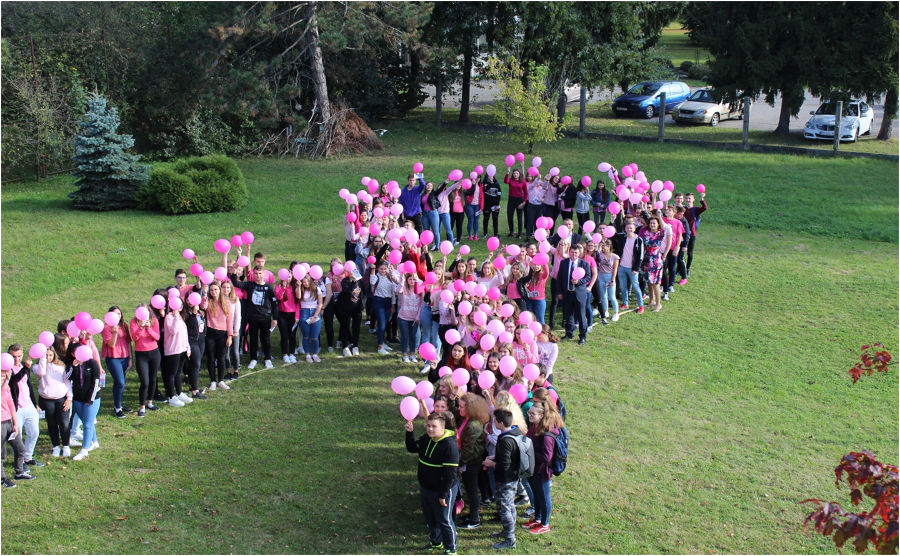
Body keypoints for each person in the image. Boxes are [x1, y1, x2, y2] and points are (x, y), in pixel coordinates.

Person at [405, 412, 460, 555]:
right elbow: (412, 448)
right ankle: (436, 542)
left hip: (443, 490)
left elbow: (450, 475)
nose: (429, 429)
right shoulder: (426, 439)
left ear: (442, 428)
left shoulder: (450, 446)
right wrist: (409, 433)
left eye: (433, 426)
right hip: (426, 488)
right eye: (428, 426)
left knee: (444, 520)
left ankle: (451, 548)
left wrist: (443, 495)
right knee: (430, 518)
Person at [483, 408, 522, 549]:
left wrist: (490, 463)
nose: (493, 422)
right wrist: (495, 456)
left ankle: (510, 540)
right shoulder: (514, 432)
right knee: (510, 505)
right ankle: (507, 532)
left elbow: (504, 466)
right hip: (513, 477)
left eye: (494, 420)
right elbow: (510, 455)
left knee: (506, 508)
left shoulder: (505, 441)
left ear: (499, 422)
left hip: (506, 479)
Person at [523, 400, 563, 534]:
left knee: (544, 497)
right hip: (533, 469)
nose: (530, 415)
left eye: (533, 413)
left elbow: (547, 456)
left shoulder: (547, 434)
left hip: (542, 471)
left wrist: (529, 451)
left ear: (541, 415)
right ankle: (538, 518)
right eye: (529, 412)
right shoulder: (534, 426)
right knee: (537, 495)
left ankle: (545, 524)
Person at [233, 265, 278, 369]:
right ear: (253, 274)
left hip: (265, 317)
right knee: (253, 339)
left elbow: (274, 304)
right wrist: (235, 272)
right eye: (256, 274)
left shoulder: (269, 287)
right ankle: (253, 358)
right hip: (252, 317)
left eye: (260, 273)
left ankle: (267, 358)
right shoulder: (250, 285)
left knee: (265, 339)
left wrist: (275, 318)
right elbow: (236, 283)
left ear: (263, 274)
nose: (258, 276)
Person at [457, 392, 490, 529]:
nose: (459, 409)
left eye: (461, 407)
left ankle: (474, 520)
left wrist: (461, 464)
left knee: (472, 491)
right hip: (468, 459)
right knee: (470, 490)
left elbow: (469, 448)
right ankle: (472, 514)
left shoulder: (473, 425)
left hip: (471, 462)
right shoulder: (466, 419)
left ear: (470, 408)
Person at [65, 342, 102, 461]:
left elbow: (95, 382)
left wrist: (90, 399)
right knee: (88, 422)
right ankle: (94, 442)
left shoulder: (92, 363)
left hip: (91, 399)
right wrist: (73, 366)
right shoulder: (72, 365)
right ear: (72, 354)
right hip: (77, 399)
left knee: (87, 424)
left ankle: (84, 449)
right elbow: (67, 377)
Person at [7, 345, 43, 468]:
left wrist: (35, 403)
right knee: (18, 437)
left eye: (19, 356)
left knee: (34, 433)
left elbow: (28, 386)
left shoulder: (23, 365)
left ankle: (28, 457)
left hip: (29, 405)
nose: (16, 359)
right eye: (13, 356)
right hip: (16, 408)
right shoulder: (6, 368)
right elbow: (13, 382)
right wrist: (25, 368)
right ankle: (19, 461)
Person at [2, 364, 32, 487]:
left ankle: (19, 472)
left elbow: (11, 405)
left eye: (5, 375)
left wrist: (15, 423)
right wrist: (6, 381)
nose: (4, 376)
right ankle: (2, 478)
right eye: (2, 374)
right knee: (1, 454)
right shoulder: (4, 387)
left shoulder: (6, 387)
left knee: (20, 449)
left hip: (9, 422)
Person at [130, 305, 162, 415]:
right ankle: (142, 406)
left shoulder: (154, 321)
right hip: (141, 355)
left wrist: (148, 328)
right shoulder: (134, 322)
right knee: (145, 381)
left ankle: (150, 402)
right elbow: (135, 338)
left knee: (153, 379)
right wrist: (140, 328)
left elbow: (157, 337)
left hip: (154, 353)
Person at [557, 244, 591, 344]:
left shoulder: (584, 264)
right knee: (568, 315)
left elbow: (588, 277)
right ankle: (569, 333)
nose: (574, 254)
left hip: (579, 294)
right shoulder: (564, 263)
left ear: (579, 253)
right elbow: (559, 278)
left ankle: (582, 336)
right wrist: (559, 292)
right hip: (567, 293)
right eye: (572, 252)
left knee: (581, 315)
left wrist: (578, 282)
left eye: (576, 252)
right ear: (569, 252)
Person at [203, 282, 233, 391]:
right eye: (212, 290)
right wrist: (205, 294)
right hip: (211, 333)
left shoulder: (226, 303)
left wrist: (229, 336)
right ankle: (213, 381)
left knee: (221, 358)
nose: (214, 292)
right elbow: (203, 306)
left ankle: (220, 380)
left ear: (219, 290)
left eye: (215, 289)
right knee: (211, 358)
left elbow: (229, 321)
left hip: (223, 333)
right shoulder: (209, 302)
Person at [161, 300, 192, 407]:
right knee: (171, 374)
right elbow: (173, 331)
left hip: (182, 349)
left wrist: (187, 347)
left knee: (178, 373)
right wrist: (176, 316)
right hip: (173, 350)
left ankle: (179, 393)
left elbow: (184, 334)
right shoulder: (169, 317)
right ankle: (171, 396)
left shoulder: (180, 317)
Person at [613, 218, 645, 314]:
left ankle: (641, 305)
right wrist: (612, 221)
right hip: (621, 267)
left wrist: (636, 268)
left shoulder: (639, 240)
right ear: (625, 229)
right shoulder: (622, 237)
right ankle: (625, 303)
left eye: (631, 228)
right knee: (623, 287)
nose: (629, 229)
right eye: (627, 228)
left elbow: (640, 256)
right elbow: (613, 235)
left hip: (632, 269)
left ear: (634, 229)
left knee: (635, 287)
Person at [639, 215, 666, 312]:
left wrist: (659, 216)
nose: (652, 225)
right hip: (646, 258)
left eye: (654, 223)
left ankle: (658, 304)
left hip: (655, 260)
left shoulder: (660, 233)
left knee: (655, 283)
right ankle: (651, 300)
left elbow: (664, 228)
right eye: (651, 223)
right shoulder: (646, 232)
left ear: (658, 224)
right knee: (649, 281)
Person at [336, 268, 363, 357]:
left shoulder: (360, 281)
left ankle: (355, 346)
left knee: (356, 327)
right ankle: (345, 347)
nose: (354, 273)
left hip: (357, 308)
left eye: (355, 271)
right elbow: (347, 291)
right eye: (352, 271)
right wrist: (354, 282)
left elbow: (363, 292)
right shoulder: (345, 281)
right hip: (346, 308)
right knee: (345, 326)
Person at [297, 273, 325, 363]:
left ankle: (315, 354)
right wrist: (298, 286)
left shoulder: (317, 289)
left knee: (314, 337)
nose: (306, 284)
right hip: (304, 312)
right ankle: (307, 354)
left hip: (314, 312)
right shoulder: (301, 290)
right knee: (306, 336)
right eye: (304, 282)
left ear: (310, 281)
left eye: (307, 282)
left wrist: (315, 316)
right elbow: (298, 297)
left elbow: (320, 304)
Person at [396, 273, 423, 363]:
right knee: (405, 336)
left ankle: (412, 354)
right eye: (410, 279)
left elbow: (422, 304)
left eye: (414, 280)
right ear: (407, 280)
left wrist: (418, 316)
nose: (412, 281)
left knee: (413, 337)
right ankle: (404, 354)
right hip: (403, 317)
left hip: (414, 318)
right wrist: (402, 281)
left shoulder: (419, 290)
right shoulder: (404, 288)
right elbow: (398, 290)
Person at [275, 265, 300, 363]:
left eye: (289, 277)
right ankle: (285, 354)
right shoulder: (279, 286)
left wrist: (297, 316)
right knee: (284, 335)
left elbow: (298, 301)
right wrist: (283, 288)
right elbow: (278, 298)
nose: (287, 279)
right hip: (282, 314)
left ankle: (292, 353)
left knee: (292, 335)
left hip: (293, 314)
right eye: (286, 277)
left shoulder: (294, 287)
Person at [682, 191, 707, 279]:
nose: (688, 200)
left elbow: (704, 207)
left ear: (693, 199)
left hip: (692, 234)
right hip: (682, 233)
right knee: (680, 253)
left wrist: (702, 198)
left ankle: (687, 269)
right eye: (687, 198)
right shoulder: (683, 209)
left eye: (690, 198)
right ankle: (680, 269)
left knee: (689, 253)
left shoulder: (695, 209)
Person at [594, 239, 620, 324]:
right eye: (601, 246)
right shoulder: (599, 255)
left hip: (609, 277)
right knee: (603, 296)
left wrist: (612, 279)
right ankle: (606, 311)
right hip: (601, 276)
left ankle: (616, 313)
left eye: (604, 246)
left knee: (612, 297)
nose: (602, 248)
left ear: (609, 246)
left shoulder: (615, 257)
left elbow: (615, 269)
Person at [503, 168, 527, 238]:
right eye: (514, 173)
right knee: (510, 217)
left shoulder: (523, 181)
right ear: (512, 175)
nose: (515, 175)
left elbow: (526, 193)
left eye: (517, 173)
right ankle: (511, 232)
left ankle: (519, 233)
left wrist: (524, 202)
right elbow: (505, 181)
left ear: (519, 174)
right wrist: (507, 172)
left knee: (519, 217)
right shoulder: (510, 180)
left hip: (520, 201)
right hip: (511, 200)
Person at [481, 172, 503, 238]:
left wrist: (497, 204)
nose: (491, 177)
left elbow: (499, 194)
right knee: (486, 219)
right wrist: (490, 184)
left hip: (495, 205)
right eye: (489, 176)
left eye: (492, 176)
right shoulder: (484, 184)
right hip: (487, 205)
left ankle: (496, 233)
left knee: (495, 219)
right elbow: (485, 191)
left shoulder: (497, 184)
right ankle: (485, 233)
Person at [463, 175, 482, 241]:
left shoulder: (481, 186)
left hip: (477, 206)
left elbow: (482, 197)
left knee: (476, 220)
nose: (477, 179)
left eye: (479, 177)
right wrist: (472, 184)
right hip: (469, 205)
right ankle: (470, 235)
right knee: (471, 219)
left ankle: (475, 235)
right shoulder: (469, 184)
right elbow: (466, 193)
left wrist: (481, 207)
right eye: (476, 177)